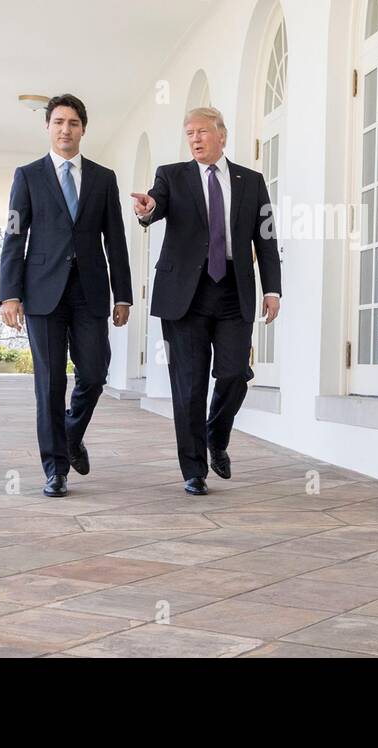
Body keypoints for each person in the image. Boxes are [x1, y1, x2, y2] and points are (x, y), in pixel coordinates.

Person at [129, 106, 281, 495]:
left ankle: (216, 433)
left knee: (235, 374)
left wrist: (272, 289)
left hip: (233, 289)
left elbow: (265, 238)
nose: (195, 139)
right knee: (189, 385)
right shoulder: (171, 176)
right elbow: (155, 206)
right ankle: (194, 470)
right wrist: (147, 211)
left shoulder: (252, 181)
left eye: (202, 132)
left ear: (222, 135)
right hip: (185, 295)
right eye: (189, 133)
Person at [0, 94, 132, 497]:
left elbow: (117, 239)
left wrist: (122, 294)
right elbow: (14, 236)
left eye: (73, 123)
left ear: (83, 129)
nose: (65, 130)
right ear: (48, 127)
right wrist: (10, 294)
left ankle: (72, 434)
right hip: (41, 295)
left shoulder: (103, 177)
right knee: (50, 383)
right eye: (58, 122)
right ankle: (55, 469)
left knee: (94, 373)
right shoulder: (27, 176)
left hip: (90, 290)